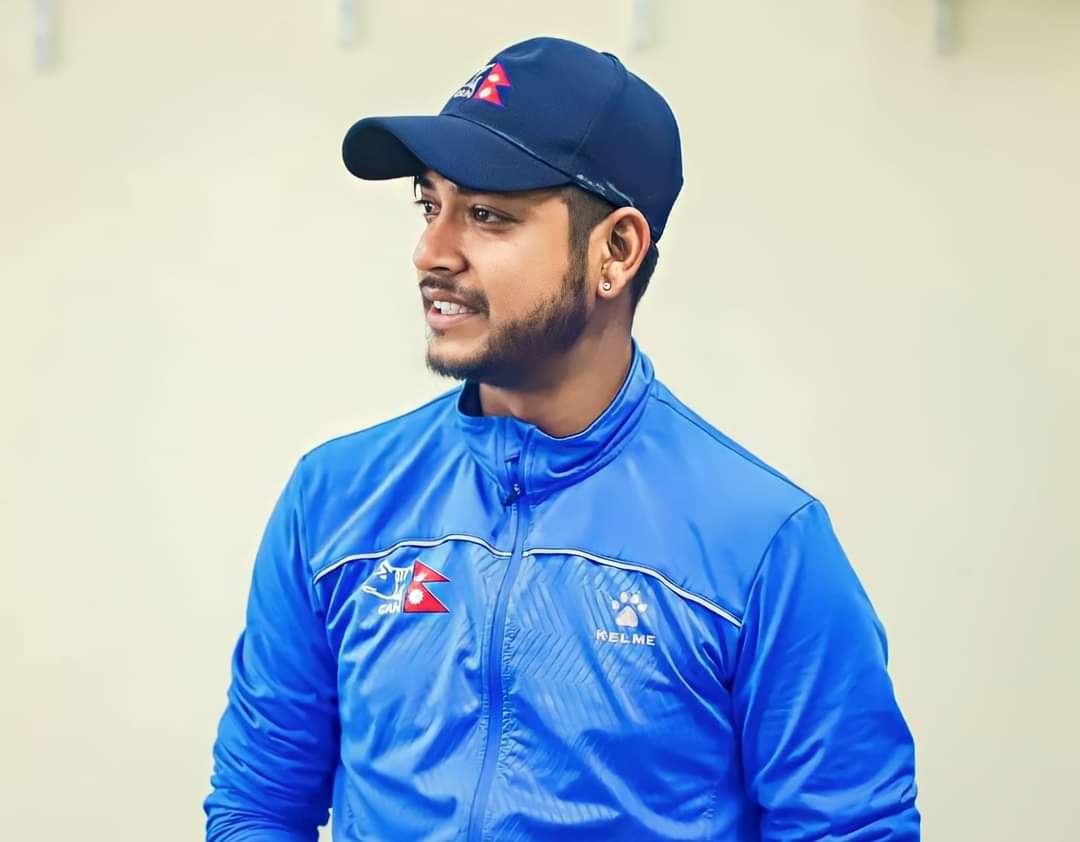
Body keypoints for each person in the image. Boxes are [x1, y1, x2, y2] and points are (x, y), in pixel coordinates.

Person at [204, 35, 920, 842]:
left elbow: (849, 829)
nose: (431, 252)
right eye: (430, 205)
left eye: (487, 215)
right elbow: (258, 807)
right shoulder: (335, 498)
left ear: (617, 250)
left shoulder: (763, 545)